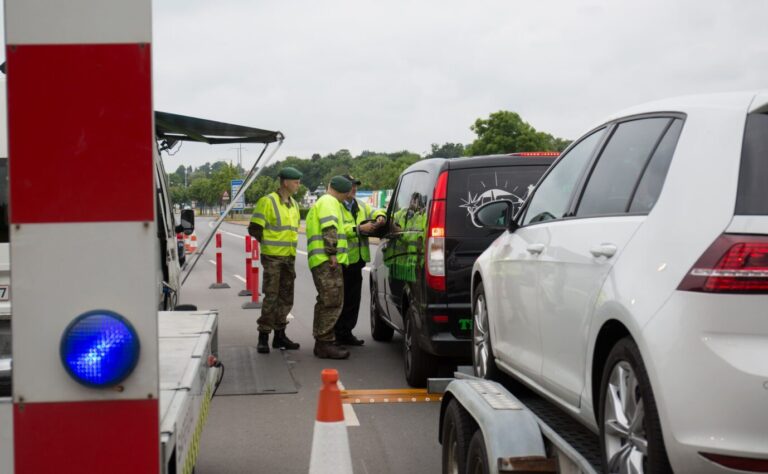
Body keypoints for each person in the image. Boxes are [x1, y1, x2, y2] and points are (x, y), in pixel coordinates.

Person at [248, 167, 303, 354]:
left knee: (286, 297)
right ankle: (263, 336)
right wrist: (268, 245)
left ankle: (280, 336)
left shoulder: (294, 204)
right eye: (296, 182)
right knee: (271, 297)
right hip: (272, 257)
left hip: (289, 257)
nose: (298, 185)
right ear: (285, 182)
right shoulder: (268, 201)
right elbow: (254, 228)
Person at [335, 174, 386, 346]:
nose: (354, 188)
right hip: (341, 260)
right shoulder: (336, 206)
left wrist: (380, 217)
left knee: (353, 300)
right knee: (337, 300)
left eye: (355, 185)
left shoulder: (360, 205)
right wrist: (358, 229)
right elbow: (337, 229)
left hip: (357, 262)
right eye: (350, 186)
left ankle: (346, 332)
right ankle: (335, 334)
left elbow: (376, 210)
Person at [306, 176, 353, 359]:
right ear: (345, 192)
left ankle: (322, 341)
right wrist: (332, 253)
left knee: (325, 301)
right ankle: (325, 343)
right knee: (332, 302)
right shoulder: (330, 202)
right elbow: (329, 229)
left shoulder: (322, 201)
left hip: (320, 259)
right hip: (327, 261)